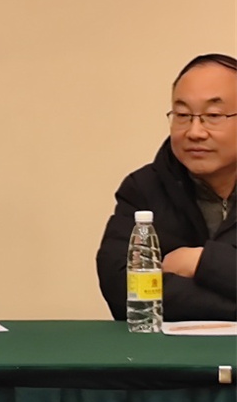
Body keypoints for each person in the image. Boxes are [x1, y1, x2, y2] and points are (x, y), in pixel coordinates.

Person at [97, 54, 237, 321]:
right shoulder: (144, 188)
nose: (195, 132)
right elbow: (123, 290)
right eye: (183, 115)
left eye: (213, 115)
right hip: (169, 348)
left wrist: (200, 262)